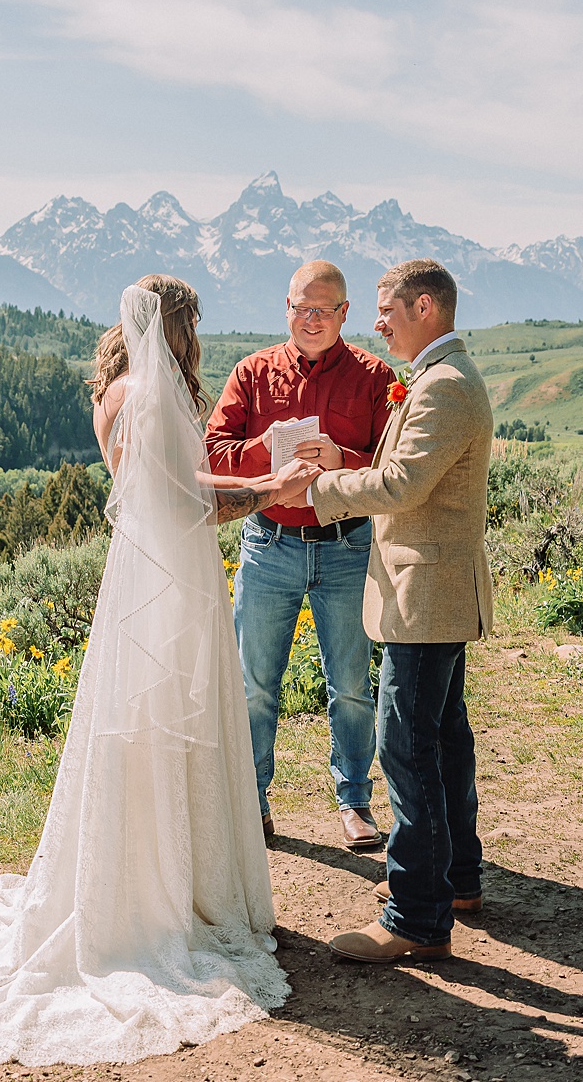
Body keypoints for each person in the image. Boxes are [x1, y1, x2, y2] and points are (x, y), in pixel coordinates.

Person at [0, 276, 310, 1065]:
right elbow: (183, 502)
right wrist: (268, 487)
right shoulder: (153, 393)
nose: (195, 335)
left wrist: (248, 484)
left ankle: (152, 880)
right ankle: (168, 898)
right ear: (176, 323)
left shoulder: (114, 389)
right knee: (172, 723)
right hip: (170, 582)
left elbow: (157, 490)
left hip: (143, 579)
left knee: (139, 728)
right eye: (193, 321)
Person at [303, 259, 493, 964]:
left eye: (385, 309)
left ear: (424, 306)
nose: (376, 322)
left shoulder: (443, 387)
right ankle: (458, 880)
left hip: (426, 595)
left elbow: (406, 483)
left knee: (407, 749)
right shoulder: (444, 379)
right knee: (442, 741)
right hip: (435, 590)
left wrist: (325, 482)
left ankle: (415, 914)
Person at [205, 260, 395, 850]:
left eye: (324, 309)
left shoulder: (375, 377)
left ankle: (355, 803)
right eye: (300, 308)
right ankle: (252, 802)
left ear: (345, 312)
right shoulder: (252, 373)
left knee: (352, 686)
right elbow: (213, 455)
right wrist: (261, 449)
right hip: (270, 544)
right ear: (285, 308)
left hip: (347, 545)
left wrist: (344, 460)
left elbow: (395, 470)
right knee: (255, 683)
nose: (310, 320)